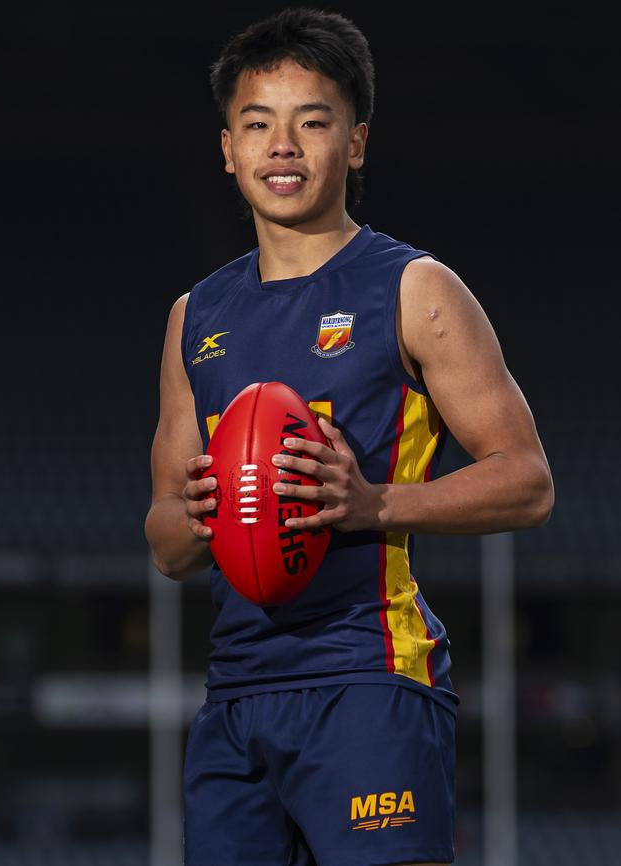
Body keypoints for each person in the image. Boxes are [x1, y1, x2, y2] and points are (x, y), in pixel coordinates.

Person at [144, 7, 554, 866]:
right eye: (258, 124)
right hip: (237, 698)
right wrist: (195, 512)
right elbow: (169, 549)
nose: (282, 146)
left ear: (355, 143)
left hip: (369, 680)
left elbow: (526, 480)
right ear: (228, 149)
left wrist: (372, 503)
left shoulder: (415, 288)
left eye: (312, 122)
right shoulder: (194, 317)